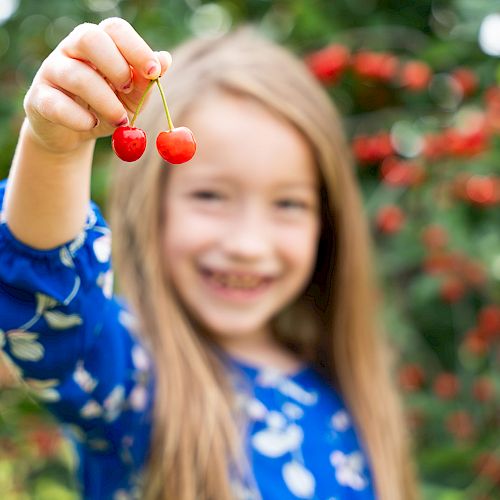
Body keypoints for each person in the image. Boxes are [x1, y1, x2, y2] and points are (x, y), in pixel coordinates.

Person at [0, 17, 419, 500]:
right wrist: (53, 151)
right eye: (211, 196)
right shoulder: (129, 378)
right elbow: (49, 306)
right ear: (150, 206)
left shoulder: (347, 389)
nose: (248, 244)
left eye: (288, 204)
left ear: (327, 224)